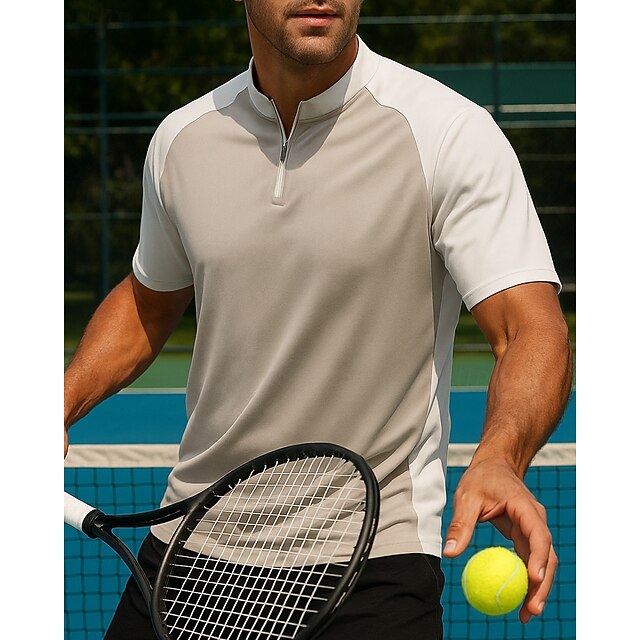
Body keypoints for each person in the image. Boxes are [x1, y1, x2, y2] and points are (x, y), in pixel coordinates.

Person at [64, 1, 573, 638]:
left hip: (373, 562)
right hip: (189, 546)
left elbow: (530, 328)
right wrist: (57, 401)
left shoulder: (449, 132)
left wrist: (500, 458)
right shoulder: (181, 139)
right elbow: (150, 300)